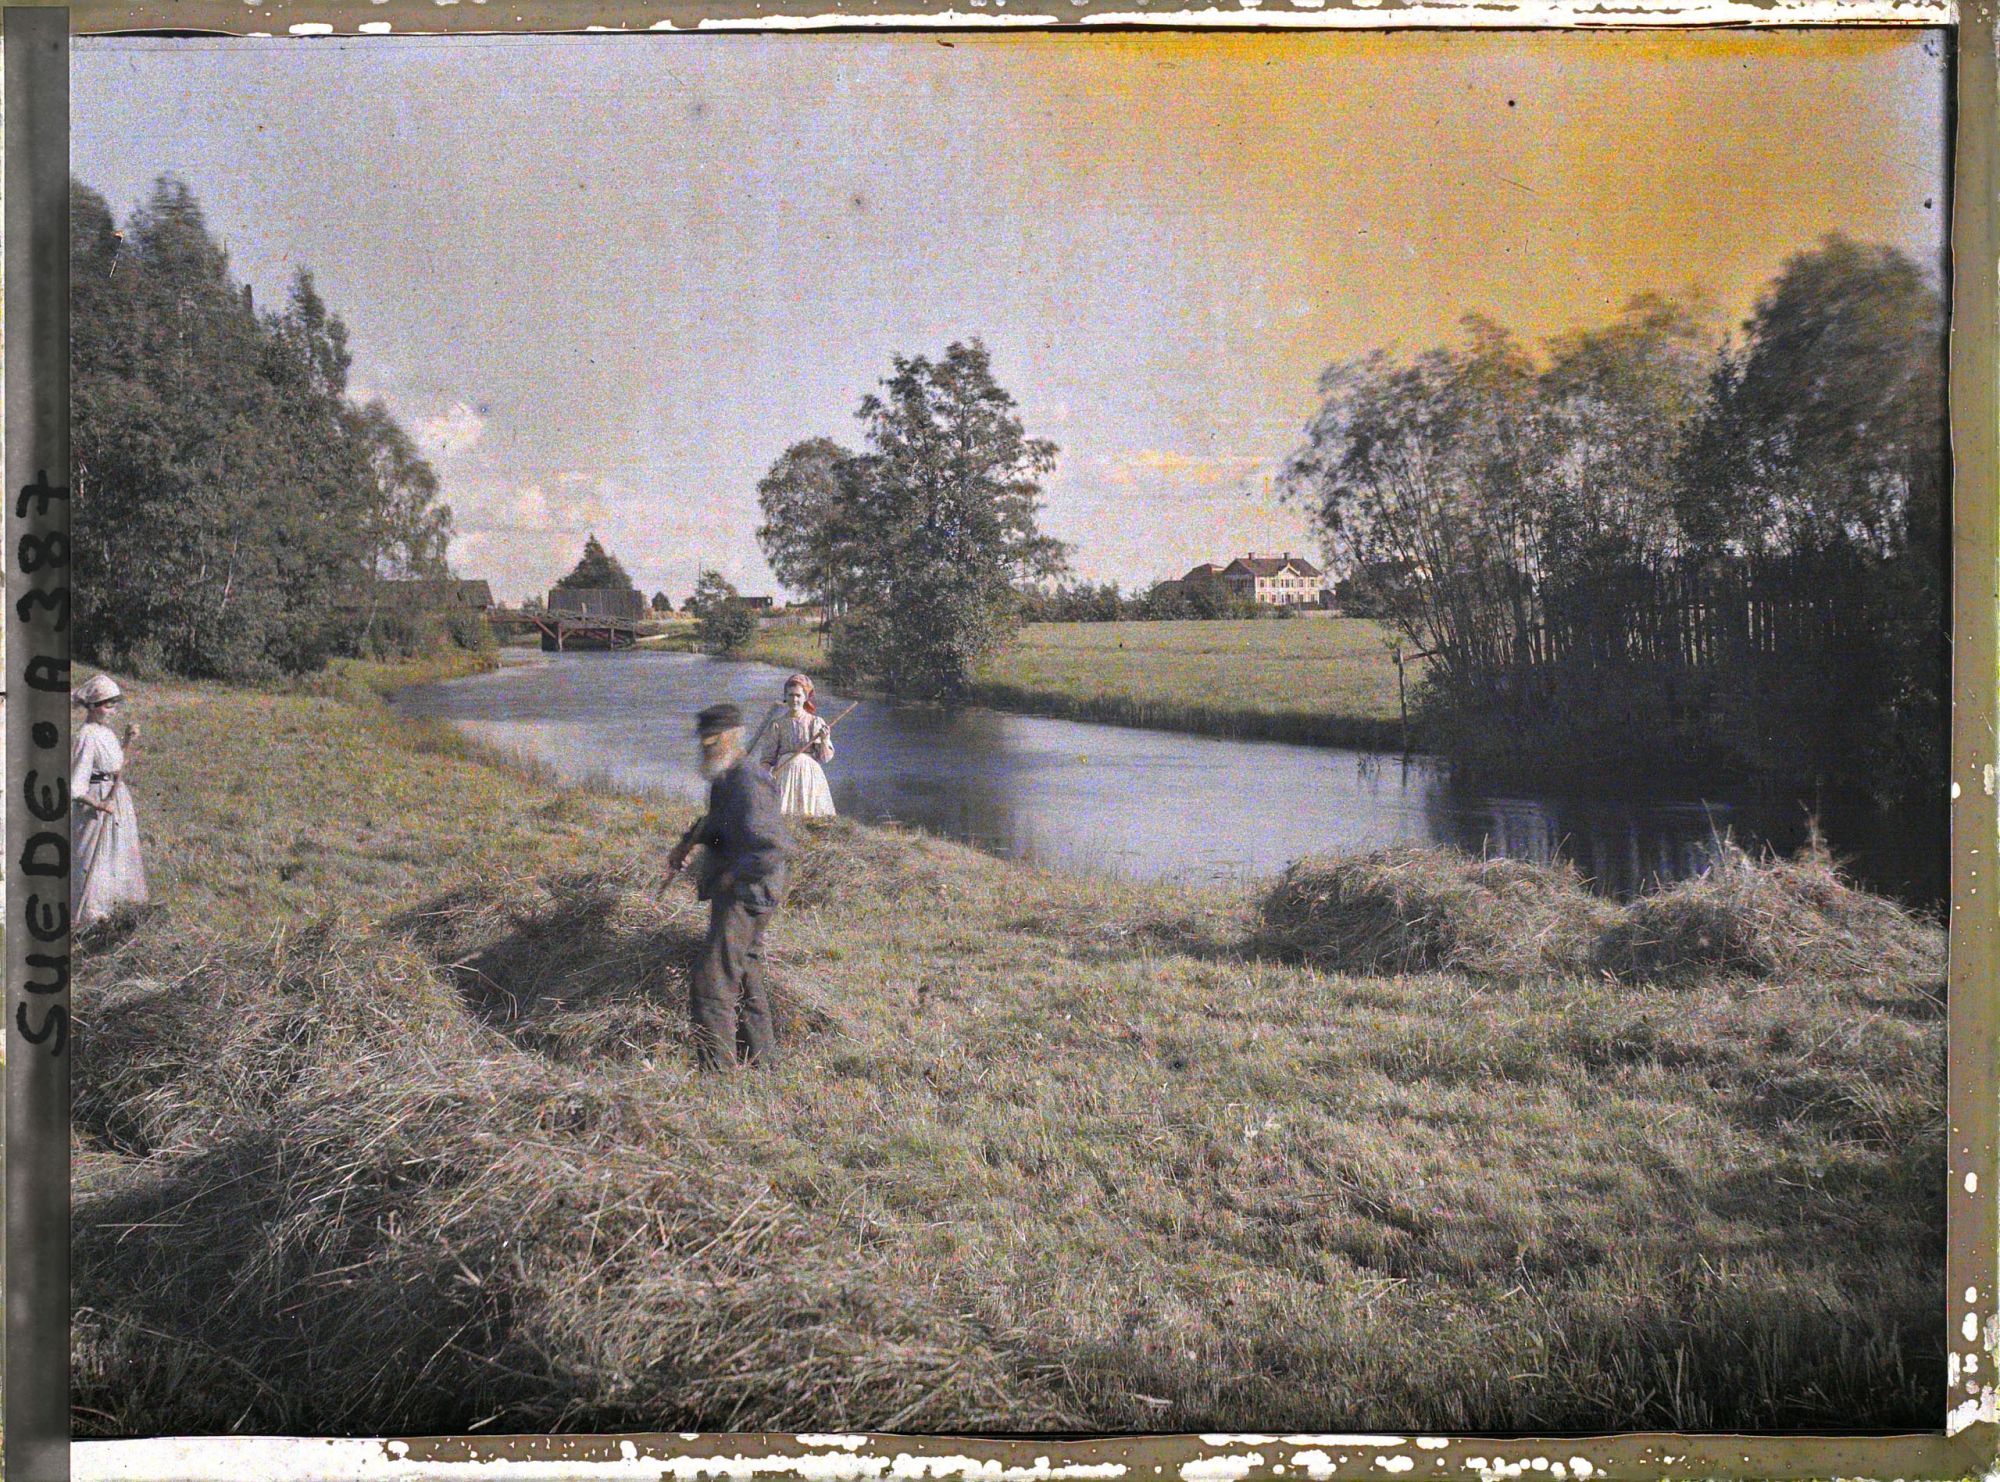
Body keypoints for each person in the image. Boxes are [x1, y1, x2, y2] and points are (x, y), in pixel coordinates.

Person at [666, 703, 794, 1070]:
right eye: (703, 742)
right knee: (746, 972)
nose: (706, 748)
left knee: (711, 982)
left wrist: (729, 877)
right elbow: (723, 831)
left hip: (747, 894)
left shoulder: (748, 780)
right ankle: (764, 1063)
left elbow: (769, 848)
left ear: (731, 737)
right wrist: (689, 842)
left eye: (712, 741)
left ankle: (718, 1076)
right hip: (741, 892)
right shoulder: (725, 779)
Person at [71, 673, 150, 930]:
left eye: (114, 705)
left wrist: (126, 742)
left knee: (118, 855)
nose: (112, 710)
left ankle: (116, 914)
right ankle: (89, 920)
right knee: (93, 858)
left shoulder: (105, 732)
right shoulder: (87, 735)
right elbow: (75, 786)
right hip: (97, 807)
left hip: (116, 801)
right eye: (107, 705)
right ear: (92, 707)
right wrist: (100, 804)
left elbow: (114, 767)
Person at [761, 672, 837, 818]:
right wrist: (764, 777)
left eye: (798, 695)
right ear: (785, 696)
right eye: (790, 695)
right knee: (783, 817)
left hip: (809, 776)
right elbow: (767, 758)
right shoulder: (778, 724)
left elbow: (825, 758)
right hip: (784, 776)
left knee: (811, 818)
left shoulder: (815, 722)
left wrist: (825, 739)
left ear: (805, 698)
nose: (794, 699)